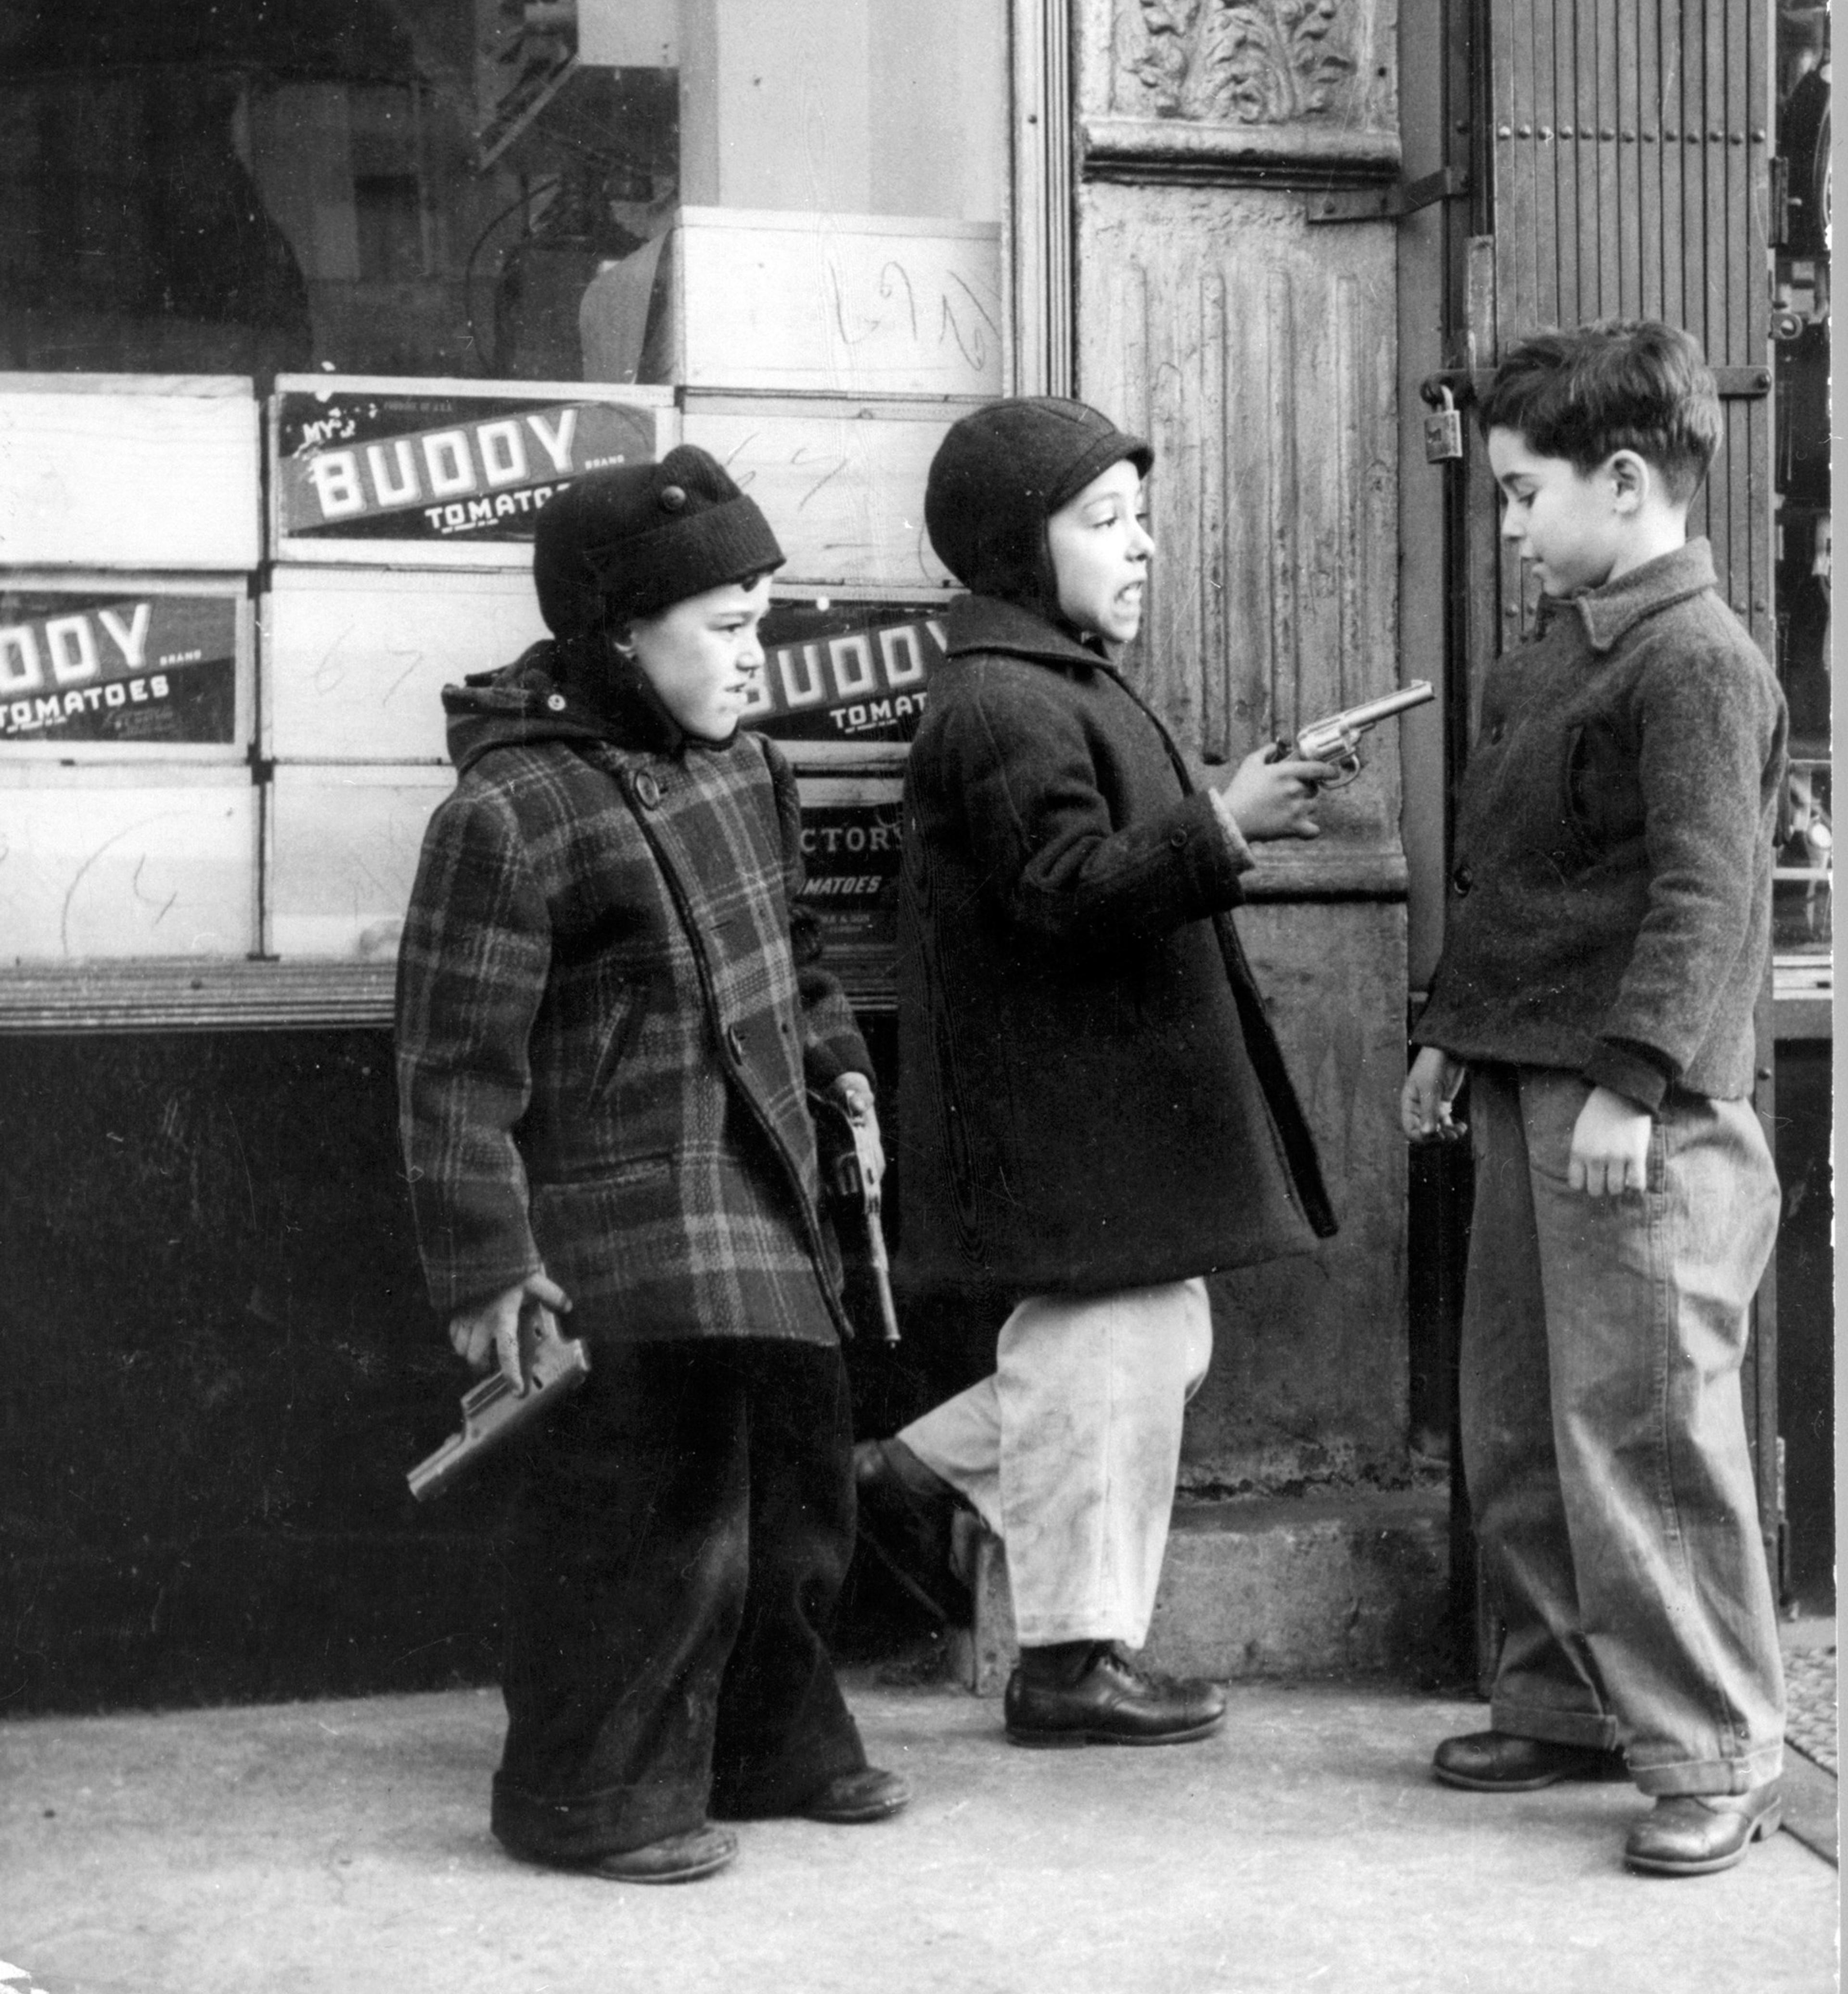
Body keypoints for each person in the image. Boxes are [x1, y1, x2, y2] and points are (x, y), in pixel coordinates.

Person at [396, 447, 909, 1886]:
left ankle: (773, 1740)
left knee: (801, 1493)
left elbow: (794, 958)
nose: (757, 659)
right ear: (621, 633)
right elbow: (453, 1071)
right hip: (618, 1228)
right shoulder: (510, 813)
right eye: (726, 629)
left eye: (763, 622)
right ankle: (590, 1791)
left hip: (764, 1198)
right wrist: (489, 1266)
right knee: (647, 1523)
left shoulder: (748, 769)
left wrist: (841, 1067)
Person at [860, 396, 1338, 1746]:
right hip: (1070, 1114)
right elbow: (1062, 891)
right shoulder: (1007, 700)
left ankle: (912, 1472)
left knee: (1152, 1338)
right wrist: (1223, 824)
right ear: (1023, 545)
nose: (1142, 549)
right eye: (1105, 522)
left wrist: (1216, 816)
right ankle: (1070, 1659)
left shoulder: (1045, 676)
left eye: (1144, 518)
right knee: (1105, 1351)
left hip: (1103, 1108)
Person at [1402, 321, 1788, 1878]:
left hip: (1640, 1117)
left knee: (1644, 1428)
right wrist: (1456, 1030)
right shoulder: (1559, 655)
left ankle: (1714, 1744)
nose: (1506, 526)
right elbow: (1514, 885)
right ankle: (1561, 1697)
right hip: (1531, 1093)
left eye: (1520, 494)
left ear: (1625, 482)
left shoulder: (1697, 660)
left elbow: (1708, 899)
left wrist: (1631, 1082)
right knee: (1518, 1418)